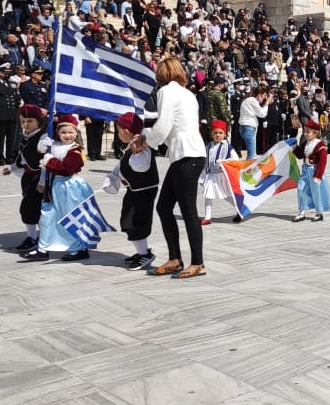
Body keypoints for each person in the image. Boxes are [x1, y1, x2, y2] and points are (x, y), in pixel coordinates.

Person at [134, 56, 207, 279]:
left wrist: (145, 138)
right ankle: (175, 258)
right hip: (187, 153)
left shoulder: (166, 91)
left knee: (188, 211)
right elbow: (175, 127)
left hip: (186, 154)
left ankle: (198, 262)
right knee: (164, 207)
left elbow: (163, 126)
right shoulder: (188, 94)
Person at [21, 114, 97, 262]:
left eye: (70, 132)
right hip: (53, 185)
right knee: (47, 218)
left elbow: (67, 169)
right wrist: (42, 181)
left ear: (76, 132)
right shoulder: (54, 145)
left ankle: (79, 249)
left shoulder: (75, 150)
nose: (67, 135)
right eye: (63, 132)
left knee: (70, 218)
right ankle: (43, 249)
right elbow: (43, 162)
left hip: (68, 187)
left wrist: (50, 162)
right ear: (58, 132)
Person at [102, 112, 158, 270]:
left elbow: (140, 166)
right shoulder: (129, 149)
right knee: (128, 220)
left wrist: (138, 152)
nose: (118, 134)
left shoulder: (141, 150)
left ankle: (145, 254)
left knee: (136, 221)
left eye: (119, 130)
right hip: (134, 190)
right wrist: (112, 177)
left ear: (126, 132)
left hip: (143, 191)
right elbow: (122, 166)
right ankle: (142, 251)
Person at [2, 104, 45, 251]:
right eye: (23, 121)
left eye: (30, 121)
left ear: (39, 121)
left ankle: (42, 238)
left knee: (37, 208)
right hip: (28, 178)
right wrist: (11, 168)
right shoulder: (27, 136)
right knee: (27, 208)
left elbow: (46, 162)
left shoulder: (43, 138)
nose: (26, 124)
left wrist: (42, 181)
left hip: (39, 178)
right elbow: (22, 159)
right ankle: (31, 236)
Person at [199, 119, 237, 225]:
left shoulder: (227, 147)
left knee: (226, 196)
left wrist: (223, 162)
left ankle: (239, 209)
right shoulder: (208, 146)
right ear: (211, 134)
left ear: (224, 134)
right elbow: (205, 160)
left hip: (221, 176)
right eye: (215, 133)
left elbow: (235, 159)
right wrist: (202, 173)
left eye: (220, 133)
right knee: (208, 195)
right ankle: (207, 217)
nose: (218, 135)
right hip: (210, 175)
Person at [291, 118, 330, 221]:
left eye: (308, 132)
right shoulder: (306, 143)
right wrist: (295, 147)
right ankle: (301, 212)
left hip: (315, 171)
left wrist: (318, 175)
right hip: (305, 170)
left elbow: (323, 162)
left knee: (316, 191)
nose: (305, 134)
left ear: (315, 133)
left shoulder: (320, 145)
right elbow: (300, 156)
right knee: (301, 188)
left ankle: (319, 212)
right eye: (305, 131)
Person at [238, 85, 269, 159]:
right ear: (259, 94)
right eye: (264, 95)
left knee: (252, 154)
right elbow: (262, 114)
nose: (264, 98)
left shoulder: (249, 100)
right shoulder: (252, 100)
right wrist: (267, 104)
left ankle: (249, 166)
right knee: (251, 155)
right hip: (248, 128)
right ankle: (249, 167)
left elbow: (259, 111)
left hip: (247, 127)